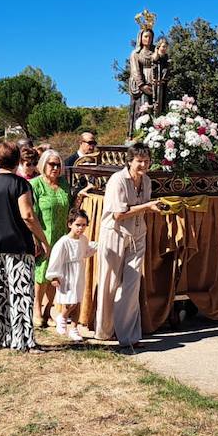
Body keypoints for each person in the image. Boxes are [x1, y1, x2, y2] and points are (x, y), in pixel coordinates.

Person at [0, 142, 51, 352]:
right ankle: (22, 341)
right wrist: (43, 239)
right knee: (21, 294)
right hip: (18, 246)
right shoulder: (20, 184)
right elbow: (27, 215)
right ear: (17, 160)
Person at [94, 143, 163, 350]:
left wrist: (155, 207)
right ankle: (104, 331)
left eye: (146, 161)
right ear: (130, 161)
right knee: (110, 282)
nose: (143, 164)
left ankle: (128, 336)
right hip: (115, 233)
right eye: (139, 161)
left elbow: (141, 208)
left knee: (132, 285)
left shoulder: (148, 181)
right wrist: (148, 206)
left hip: (138, 234)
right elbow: (118, 213)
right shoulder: (117, 180)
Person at [30, 149, 71, 327]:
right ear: (43, 164)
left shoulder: (63, 183)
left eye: (58, 164)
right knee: (42, 275)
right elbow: (31, 213)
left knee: (56, 275)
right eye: (51, 164)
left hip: (61, 237)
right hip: (44, 236)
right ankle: (37, 309)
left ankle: (49, 309)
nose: (55, 167)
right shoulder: (35, 185)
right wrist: (36, 239)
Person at [46, 209, 95, 342]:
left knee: (77, 301)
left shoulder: (83, 239)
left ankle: (74, 328)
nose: (81, 228)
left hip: (78, 272)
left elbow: (84, 252)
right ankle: (62, 316)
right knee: (70, 301)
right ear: (70, 224)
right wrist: (54, 276)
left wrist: (94, 248)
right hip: (67, 274)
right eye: (78, 225)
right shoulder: (63, 242)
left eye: (84, 225)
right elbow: (55, 258)